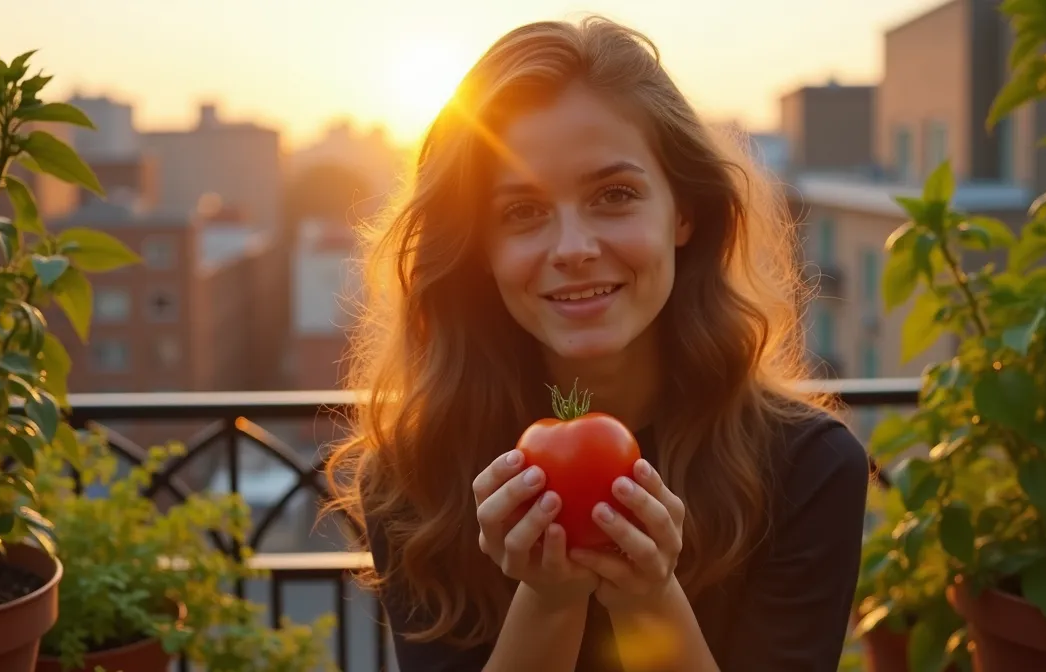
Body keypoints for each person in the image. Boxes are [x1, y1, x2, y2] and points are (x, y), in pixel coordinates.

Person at [324, 15, 870, 672]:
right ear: (479, 250)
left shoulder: (808, 470)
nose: (574, 249)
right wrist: (551, 601)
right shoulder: (416, 479)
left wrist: (647, 599)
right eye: (521, 212)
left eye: (614, 195)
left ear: (685, 212)